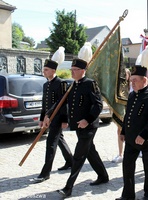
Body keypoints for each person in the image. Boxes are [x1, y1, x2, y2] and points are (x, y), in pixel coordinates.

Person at [44, 43, 109, 197]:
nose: (72, 72)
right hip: (79, 126)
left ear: (83, 71)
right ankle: (103, 175)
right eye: (71, 70)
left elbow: (98, 105)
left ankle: (68, 187)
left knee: (79, 156)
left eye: (75, 70)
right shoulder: (73, 85)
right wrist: (48, 114)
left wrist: (87, 120)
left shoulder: (90, 84)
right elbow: (61, 102)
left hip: (89, 126)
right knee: (90, 151)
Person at [116, 45, 148, 200]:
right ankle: (128, 195)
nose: (132, 83)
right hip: (131, 139)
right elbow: (128, 115)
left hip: (147, 140)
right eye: (131, 80)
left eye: (135, 80)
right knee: (127, 167)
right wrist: (123, 132)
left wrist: (143, 135)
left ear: (145, 80)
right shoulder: (132, 95)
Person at [32, 47, 73, 184]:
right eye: (44, 70)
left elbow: (63, 103)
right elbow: (45, 103)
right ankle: (70, 161)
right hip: (49, 118)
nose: (44, 72)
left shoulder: (61, 83)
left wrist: (64, 120)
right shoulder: (45, 85)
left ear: (53, 71)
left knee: (51, 144)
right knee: (59, 139)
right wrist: (42, 118)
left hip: (57, 118)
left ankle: (45, 173)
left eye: (46, 70)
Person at [112, 68, 131, 163]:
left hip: (130, 113)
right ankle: (120, 153)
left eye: (125, 74)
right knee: (119, 131)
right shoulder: (118, 88)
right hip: (121, 113)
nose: (123, 76)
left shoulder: (132, 87)